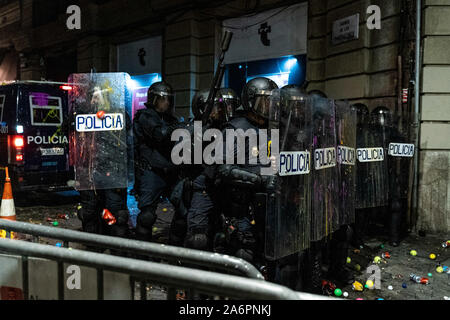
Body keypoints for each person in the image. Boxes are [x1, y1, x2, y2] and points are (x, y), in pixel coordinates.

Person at [210, 77, 279, 269]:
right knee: (244, 251)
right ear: (250, 101)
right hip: (240, 205)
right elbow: (222, 168)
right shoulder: (237, 127)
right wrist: (258, 179)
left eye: (272, 102)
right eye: (265, 101)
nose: (269, 106)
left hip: (265, 205)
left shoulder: (270, 129)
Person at [184, 88, 240, 251]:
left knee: (227, 234)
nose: (221, 110)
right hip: (203, 185)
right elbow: (181, 159)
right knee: (198, 236)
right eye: (216, 107)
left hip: (226, 184)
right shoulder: (194, 129)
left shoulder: (230, 128)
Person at [133, 81, 185, 244]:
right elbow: (160, 135)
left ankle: (175, 251)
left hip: (172, 170)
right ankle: (144, 255)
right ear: (154, 99)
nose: (167, 103)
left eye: (169, 99)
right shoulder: (146, 116)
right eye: (163, 99)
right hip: (152, 171)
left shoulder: (171, 119)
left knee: (184, 211)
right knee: (147, 216)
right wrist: (181, 126)